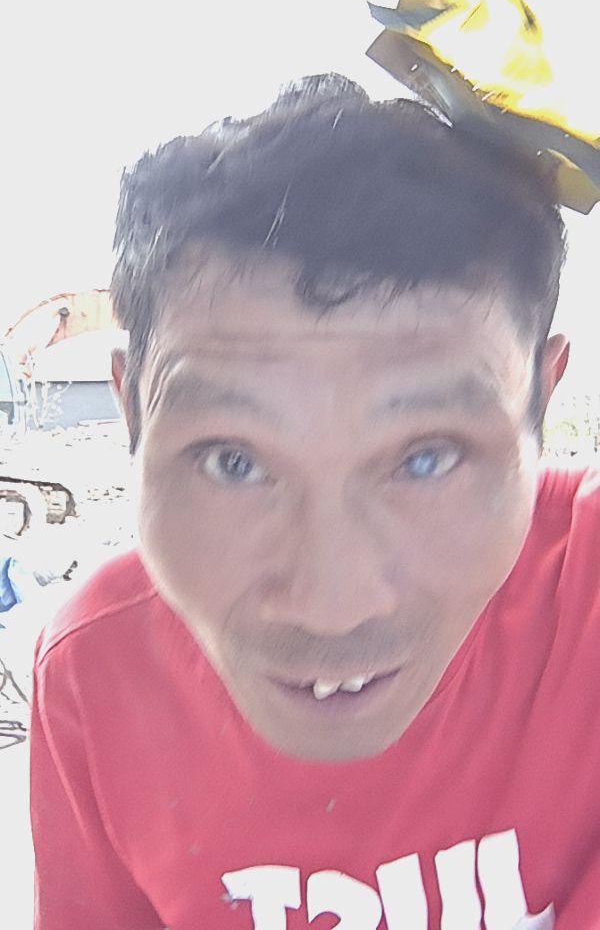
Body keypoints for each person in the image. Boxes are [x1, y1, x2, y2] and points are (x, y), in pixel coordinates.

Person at [30, 71, 600, 930]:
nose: (331, 608)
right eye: (233, 462)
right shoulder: (94, 669)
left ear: (541, 404)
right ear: (131, 412)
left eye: (427, 459)